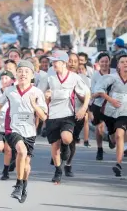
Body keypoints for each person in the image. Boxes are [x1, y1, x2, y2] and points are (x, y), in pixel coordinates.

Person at [0, 60, 48, 203]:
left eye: (26, 71)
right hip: (12, 129)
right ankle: (18, 185)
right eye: (20, 71)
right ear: (16, 74)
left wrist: (34, 105)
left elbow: (43, 116)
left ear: (32, 76)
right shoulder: (9, 91)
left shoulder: (37, 92)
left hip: (29, 132)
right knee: (21, 152)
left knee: (26, 167)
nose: (23, 74)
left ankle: (24, 185)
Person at [38, 50, 90, 183]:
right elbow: (37, 94)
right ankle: (58, 170)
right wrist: (45, 97)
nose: (53, 64)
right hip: (52, 115)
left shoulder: (74, 77)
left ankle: (66, 147)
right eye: (52, 61)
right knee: (55, 145)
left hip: (68, 114)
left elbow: (87, 92)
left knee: (67, 138)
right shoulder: (49, 78)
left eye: (56, 61)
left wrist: (83, 108)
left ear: (64, 63)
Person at [93, 55, 127, 177]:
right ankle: (111, 137)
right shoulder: (111, 78)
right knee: (114, 138)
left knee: (120, 135)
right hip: (110, 112)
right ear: (118, 65)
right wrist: (110, 99)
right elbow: (99, 89)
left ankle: (118, 163)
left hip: (124, 113)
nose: (125, 64)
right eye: (122, 62)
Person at [90, 53, 116, 161]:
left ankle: (111, 137)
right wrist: (101, 93)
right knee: (99, 127)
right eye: (102, 61)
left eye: (106, 61)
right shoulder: (95, 75)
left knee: (114, 130)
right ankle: (99, 149)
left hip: (113, 105)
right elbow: (92, 93)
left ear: (109, 62)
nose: (104, 63)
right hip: (99, 104)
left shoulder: (115, 73)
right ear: (98, 63)